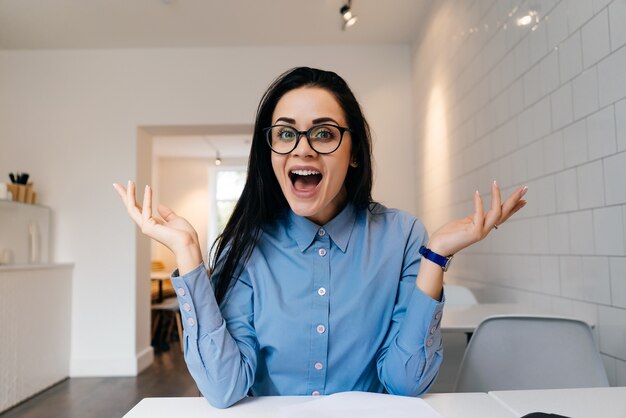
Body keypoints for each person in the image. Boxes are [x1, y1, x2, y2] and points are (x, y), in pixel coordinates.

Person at [113, 67, 527, 408]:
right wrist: (187, 252)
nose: (302, 149)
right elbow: (224, 388)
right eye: (286, 133)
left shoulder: (403, 237)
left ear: (355, 153)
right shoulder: (245, 248)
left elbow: (404, 383)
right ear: (270, 151)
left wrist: (435, 256)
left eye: (324, 134)